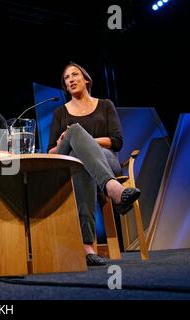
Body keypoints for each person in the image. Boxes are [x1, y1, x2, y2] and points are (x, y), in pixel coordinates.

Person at [48, 62, 141, 266]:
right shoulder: (59, 113)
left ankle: (87, 248)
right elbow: (51, 152)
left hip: (106, 159)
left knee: (80, 154)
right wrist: (67, 140)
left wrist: (84, 139)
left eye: (75, 75)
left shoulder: (105, 105)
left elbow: (116, 141)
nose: (71, 79)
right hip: (68, 161)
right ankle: (114, 189)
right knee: (74, 136)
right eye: (66, 78)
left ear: (87, 80)